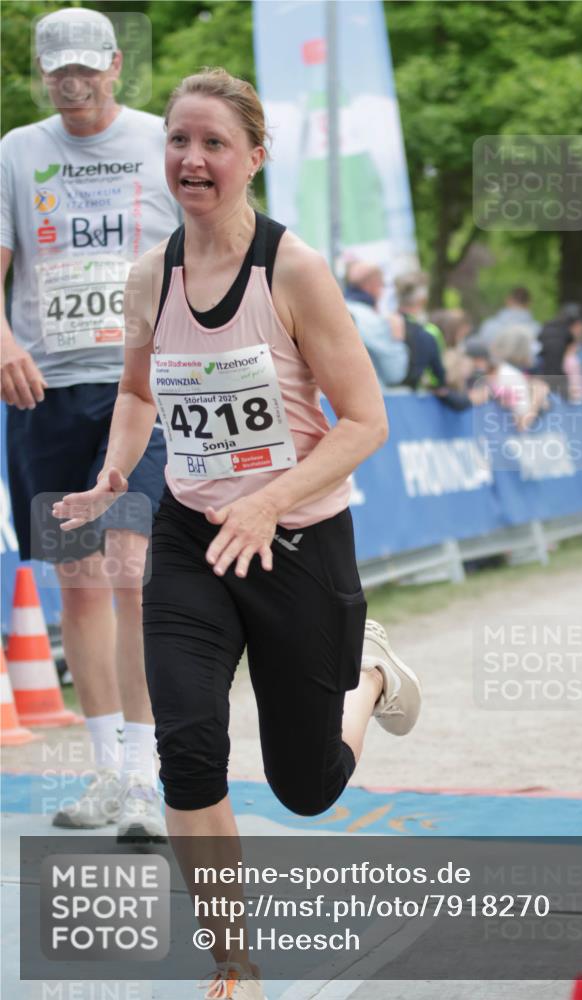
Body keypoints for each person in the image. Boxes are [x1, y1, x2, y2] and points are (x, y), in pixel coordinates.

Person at [53, 68, 422, 999]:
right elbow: (139, 393)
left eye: (214, 142)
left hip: (296, 541)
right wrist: (112, 470)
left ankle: (369, 672)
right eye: (179, 140)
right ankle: (234, 962)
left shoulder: (291, 270)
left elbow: (366, 420)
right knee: (188, 748)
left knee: (307, 786)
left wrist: (265, 500)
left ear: (254, 158)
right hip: (191, 538)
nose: (192, 158)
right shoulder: (151, 276)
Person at [0, 8, 182, 837]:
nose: (74, 81)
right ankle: (106, 771)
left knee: (132, 566)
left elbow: (209, 249)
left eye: (88, 67)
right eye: (58, 69)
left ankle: (148, 776)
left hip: (137, 387)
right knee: (75, 579)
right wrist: (2, 338)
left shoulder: (160, 141)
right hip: (48, 390)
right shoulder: (17, 151)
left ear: (115, 64)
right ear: (43, 72)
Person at [344, 261, 409, 386]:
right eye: (382, 285)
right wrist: (397, 337)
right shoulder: (373, 320)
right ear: (373, 285)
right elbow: (395, 373)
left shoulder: (333, 311)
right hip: (366, 396)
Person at [476, 286, 540, 351]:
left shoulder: (489, 325)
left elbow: (479, 349)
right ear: (529, 303)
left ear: (508, 300)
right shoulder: (537, 329)